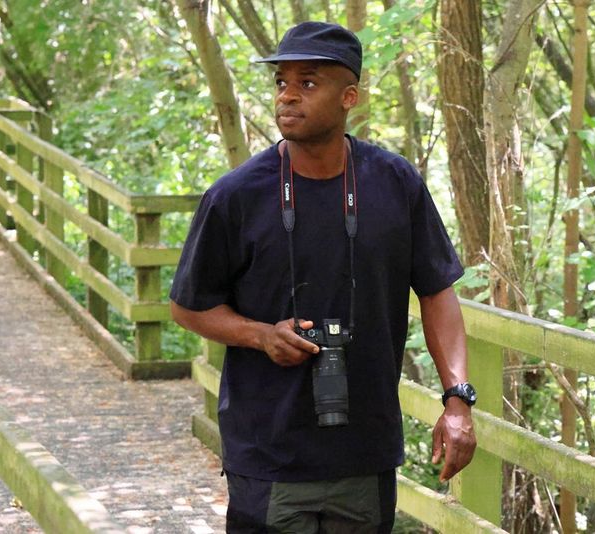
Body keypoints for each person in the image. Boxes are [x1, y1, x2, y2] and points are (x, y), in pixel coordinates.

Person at [170, 21, 476, 533]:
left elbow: (437, 291)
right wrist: (262, 335)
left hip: (365, 452)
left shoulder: (394, 183)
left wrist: (457, 400)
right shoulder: (236, 196)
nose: (287, 96)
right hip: (269, 452)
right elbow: (188, 306)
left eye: (307, 83)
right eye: (281, 82)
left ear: (349, 97)